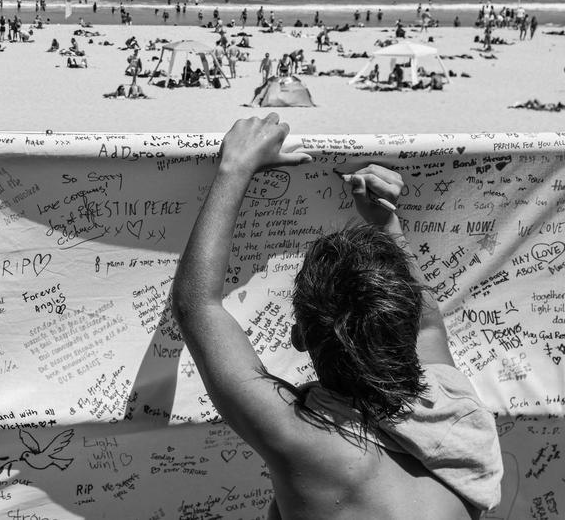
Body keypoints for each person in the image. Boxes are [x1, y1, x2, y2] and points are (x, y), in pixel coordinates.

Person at [172, 114, 502, 520]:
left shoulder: (302, 437)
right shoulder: (456, 412)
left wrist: (234, 168)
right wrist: (385, 222)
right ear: (407, 327)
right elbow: (429, 325)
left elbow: (197, 306)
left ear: (298, 337)